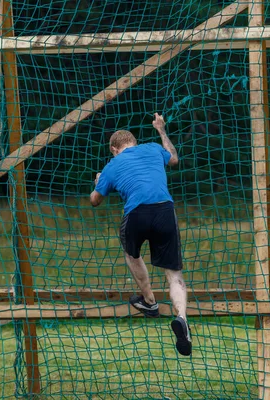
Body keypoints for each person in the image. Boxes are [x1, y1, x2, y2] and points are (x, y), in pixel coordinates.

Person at [89, 113, 192, 356]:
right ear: (134, 142)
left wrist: (98, 183)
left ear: (115, 149)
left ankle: (149, 301)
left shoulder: (112, 165)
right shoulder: (154, 148)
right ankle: (182, 317)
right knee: (174, 273)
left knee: (131, 253)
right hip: (164, 209)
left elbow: (95, 201)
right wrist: (161, 130)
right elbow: (174, 159)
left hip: (136, 213)